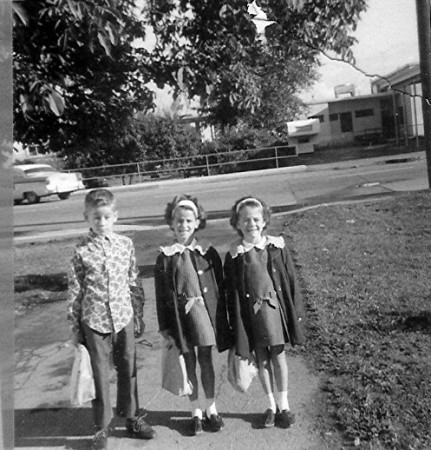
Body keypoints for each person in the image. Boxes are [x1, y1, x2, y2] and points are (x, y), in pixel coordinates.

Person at [67, 189, 156, 450]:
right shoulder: (80, 251)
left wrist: (137, 314)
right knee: (99, 373)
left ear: (115, 216)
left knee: (128, 368)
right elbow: (75, 291)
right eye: (96, 217)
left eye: (106, 216)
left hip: (123, 317)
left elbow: (133, 281)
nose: (101, 222)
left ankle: (132, 418)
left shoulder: (125, 244)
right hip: (94, 321)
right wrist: (74, 328)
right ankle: (101, 427)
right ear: (87, 217)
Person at [223, 196, 305, 429]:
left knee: (278, 356)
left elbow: (290, 282)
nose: (251, 224)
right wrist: (235, 324)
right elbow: (232, 292)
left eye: (256, 219)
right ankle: (270, 404)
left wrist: (294, 313)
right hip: (252, 315)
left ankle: (284, 404)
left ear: (264, 220)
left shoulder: (276, 246)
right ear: (237, 223)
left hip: (274, 312)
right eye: (245, 220)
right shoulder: (235, 254)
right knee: (262, 359)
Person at [154, 194, 231, 436]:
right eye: (178, 221)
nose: (183, 226)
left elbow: (220, 288)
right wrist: (165, 327)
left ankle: (211, 407)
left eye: (189, 221)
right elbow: (160, 296)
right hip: (181, 318)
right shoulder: (165, 257)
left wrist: (223, 320)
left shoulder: (207, 253)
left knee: (206, 360)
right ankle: (195, 410)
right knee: (188, 363)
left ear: (197, 222)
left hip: (204, 314)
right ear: (171, 223)